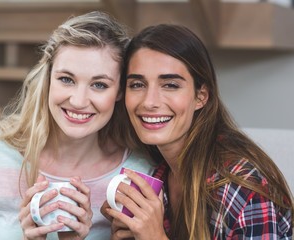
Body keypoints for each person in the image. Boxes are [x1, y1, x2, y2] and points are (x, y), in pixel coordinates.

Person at [0, 11, 156, 240]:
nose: (78, 101)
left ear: (119, 91)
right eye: (66, 79)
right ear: (48, 79)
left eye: (99, 85)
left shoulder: (136, 176)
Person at [102, 24, 293, 239]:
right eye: (137, 84)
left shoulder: (243, 189)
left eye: (170, 85)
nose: (149, 102)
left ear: (201, 96)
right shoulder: (157, 173)